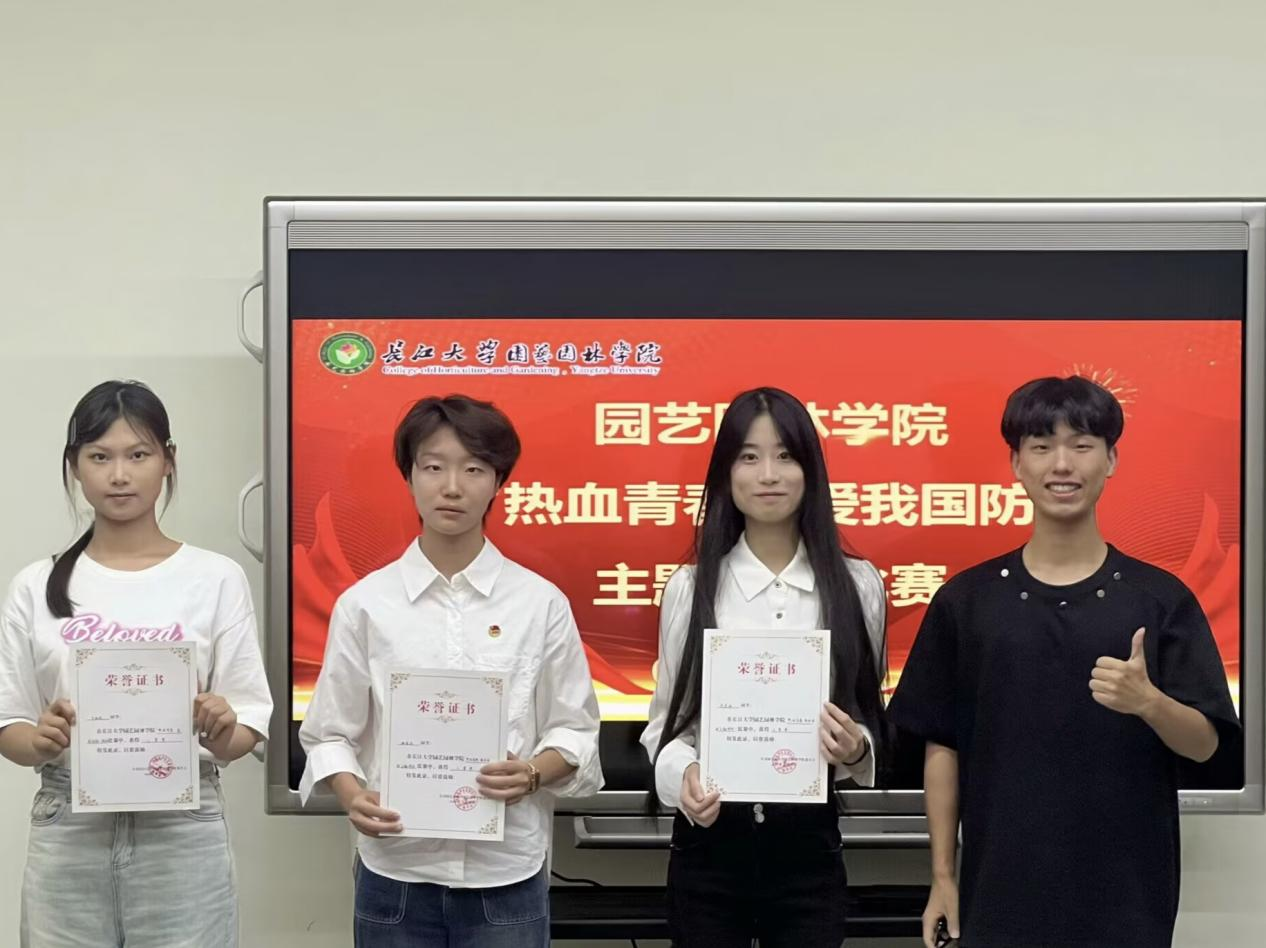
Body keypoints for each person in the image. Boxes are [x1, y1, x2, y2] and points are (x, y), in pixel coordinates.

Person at [888, 375, 1241, 948]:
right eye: (1041, 446)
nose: (1062, 464)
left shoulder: (1159, 599)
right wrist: (943, 878)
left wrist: (1149, 703)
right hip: (999, 892)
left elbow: (1208, 747)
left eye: (1081, 445)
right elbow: (940, 744)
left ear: (1111, 459)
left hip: (1128, 898)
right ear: (1016, 463)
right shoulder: (967, 601)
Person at [299, 393, 602, 948]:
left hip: (505, 875)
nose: (452, 487)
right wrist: (350, 793)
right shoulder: (366, 605)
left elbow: (575, 730)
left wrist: (532, 773)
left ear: (499, 481)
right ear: (409, 476)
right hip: (395, 872)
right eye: (434, 467)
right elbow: (329, 733)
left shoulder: (540, 603)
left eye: (474, 469)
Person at [0, 380, 273, 948]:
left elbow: (247, 720)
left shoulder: (215, 578)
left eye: (138, 455)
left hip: (184, 826)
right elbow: (10, 724)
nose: (119, 475)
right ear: (74, 466)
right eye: (100, 457)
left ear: (168, 461)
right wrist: (40, 740)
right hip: (67, 823)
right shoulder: (33, 584)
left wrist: (221, 727)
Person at [641, 386, 888, 948]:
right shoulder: (690, 588)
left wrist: (855, 749)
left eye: (786, 456)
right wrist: (684, 778)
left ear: (811, 471)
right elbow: (666, 729)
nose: (769, 475)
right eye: (749, 457)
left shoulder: (858, 586)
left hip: (808, 850)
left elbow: (868, 717)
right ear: (726, 474)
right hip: (709, 849)